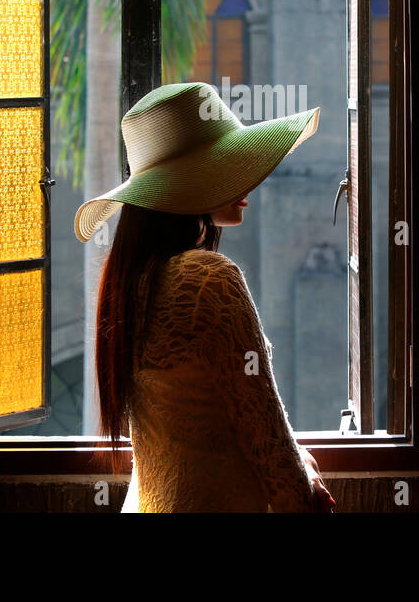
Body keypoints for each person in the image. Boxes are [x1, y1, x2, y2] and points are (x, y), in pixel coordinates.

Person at [75, 82, 336, 513]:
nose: (245, 178)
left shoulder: (130, 282)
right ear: (186, 185)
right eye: (225, 166)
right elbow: (268, 443)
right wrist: (305, 485)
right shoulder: (207, 281)